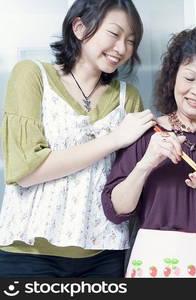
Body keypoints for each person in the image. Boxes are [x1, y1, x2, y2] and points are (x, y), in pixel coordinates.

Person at [0, 0, 155, 278]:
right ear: (80, 27)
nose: (122, 48)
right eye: (114, 34)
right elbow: (26, 171)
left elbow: (136, 173)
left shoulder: (126, 96)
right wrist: (114, 138)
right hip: (28, 254)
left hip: (105, 254)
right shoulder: (32, 75)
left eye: (131, 41)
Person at [101, 26, 196, 278]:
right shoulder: (145, 131)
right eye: (189, 78)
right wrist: (147, 162)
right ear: (172, 76)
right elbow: (116, 210)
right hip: (153, 266)